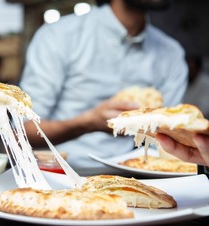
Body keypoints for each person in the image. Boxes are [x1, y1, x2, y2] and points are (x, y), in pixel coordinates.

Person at [20, 0, 188, 168]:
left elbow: (166, 134)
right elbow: (22, 132)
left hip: (137, 170)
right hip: (59, 170)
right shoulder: (59, 36)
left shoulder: (171, 53)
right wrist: (88, 122)